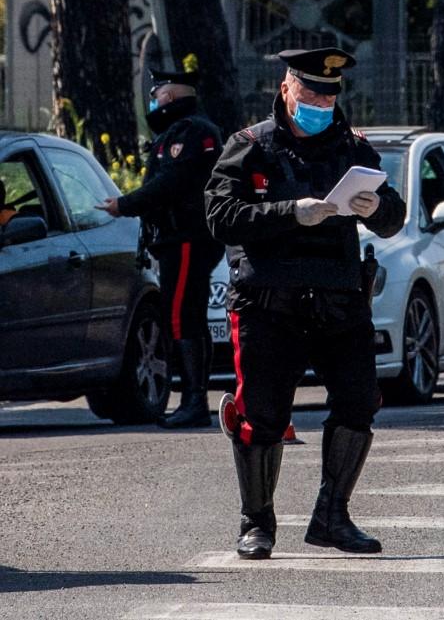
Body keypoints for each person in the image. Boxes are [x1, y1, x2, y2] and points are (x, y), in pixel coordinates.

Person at [204, 46, 405, 561]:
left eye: (329, 93)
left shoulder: (353, 147)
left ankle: (333, 517)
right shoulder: (249, 146)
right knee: (262, 414)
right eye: (311, 91)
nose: (320, 101)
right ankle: (257, 523)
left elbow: (393, 216)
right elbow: (221, 217)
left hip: (339, 301)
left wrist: (376, 206)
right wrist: (291, 212)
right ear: (287, 88)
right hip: (269, 303)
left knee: (360, 402)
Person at [97, 68, 225, 429]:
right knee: (188, 317)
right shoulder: (181, 130)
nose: (153, 101)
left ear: (169, 97)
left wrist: (125, 204)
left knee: (182, 316)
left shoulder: (191, 131)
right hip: (177, 238)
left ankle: (195, 401)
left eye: (158, 94)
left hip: (187, 237)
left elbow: (171, 182)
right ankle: (194, 399)